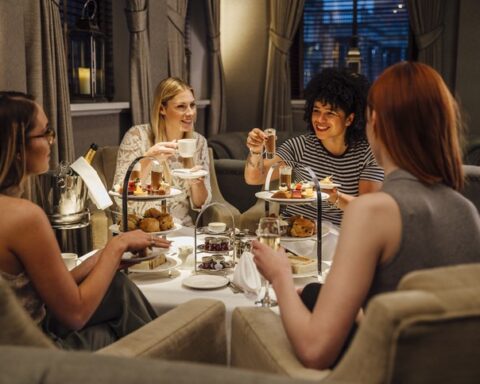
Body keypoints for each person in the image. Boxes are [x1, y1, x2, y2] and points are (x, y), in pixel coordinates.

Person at [251, 62, 480, 369]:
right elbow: (405, 310)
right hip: (441, 370)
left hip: (381, 371)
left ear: (372, 121)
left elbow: (315, 350)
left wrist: (279, 274)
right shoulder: (467, 212)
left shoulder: (372, 212)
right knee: (314, 293)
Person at [0, 91, 171, 350]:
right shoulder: (24, 217)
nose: (52, 142)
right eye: (45, 134)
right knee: (122, 329)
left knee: (117, 287)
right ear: (16, 148)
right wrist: (117, 245)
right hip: (34, 353)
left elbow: (45, 291)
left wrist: (104, 259)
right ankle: (173, 362)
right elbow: (75, 313)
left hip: (20, 336)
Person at [244, 68, 384, 226]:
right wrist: (255, 152)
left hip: (340, 236)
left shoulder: (368, 154)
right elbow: (254, 178)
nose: (320, 119)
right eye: (316, 110)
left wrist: (332, 195)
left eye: (330, 113)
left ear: (349, 119)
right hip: (294, 231)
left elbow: (368, 209)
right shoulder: (300, 146)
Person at [113, 77, 211, 226]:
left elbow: (200, 204)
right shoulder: (136, 136)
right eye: (181, 106)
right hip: (143, 226)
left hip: (181, 228)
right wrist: (148, 159)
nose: (190, 112)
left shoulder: (199, 142)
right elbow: (120, 197)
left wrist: (197, 183)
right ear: (162, 108)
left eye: (192, 105)